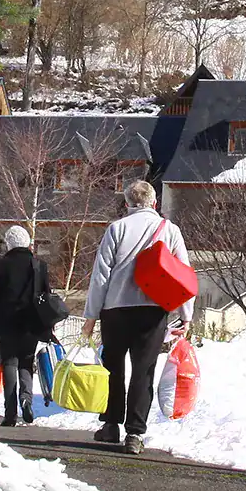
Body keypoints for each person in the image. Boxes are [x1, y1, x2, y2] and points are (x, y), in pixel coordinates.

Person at [79, 181, 194, 456]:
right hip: (153, 310)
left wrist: (91, 316)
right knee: (143, 370)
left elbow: (101, 276)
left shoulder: (116, 229)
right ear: (154, 203)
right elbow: (184, 273)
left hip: (115, 309)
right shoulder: (170, 230)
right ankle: (135, 433)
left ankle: (110, 425)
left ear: (127, 203)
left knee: (113, 368)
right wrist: (185, 315)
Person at [0, 224, 50, 428]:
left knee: (10, 363)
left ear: (9, 243)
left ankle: (10, 413)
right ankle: (27, 400)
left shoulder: (1, 265)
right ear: (28, 242)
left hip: (7, 323)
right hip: (31, 322)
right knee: (26, 363)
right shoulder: (39, 265)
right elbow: (46, 296)